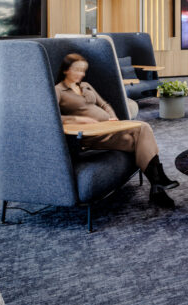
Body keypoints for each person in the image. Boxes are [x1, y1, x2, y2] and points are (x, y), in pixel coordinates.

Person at [55, 53, 179, 209]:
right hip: (91, 135)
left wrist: (113, 118)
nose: (81, 74)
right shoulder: (58, 90)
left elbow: (104, 104)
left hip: (109, 128)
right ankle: (158, 183)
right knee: (143, 128)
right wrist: (78, 120)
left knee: (136, 137)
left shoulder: (85, 85)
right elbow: (53, 118)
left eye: (83, 70)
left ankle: (157, 188)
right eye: (77, 70)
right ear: (66, 70)